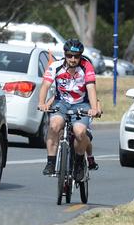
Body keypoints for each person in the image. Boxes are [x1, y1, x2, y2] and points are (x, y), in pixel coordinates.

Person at [38, 39, 100, 180]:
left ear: (81, 56)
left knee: (80, 132)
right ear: (65, 54)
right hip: (62, 102)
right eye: (70, 55)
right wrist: (42, 103)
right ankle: (51, 162)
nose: (73, 59)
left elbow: (91, 88)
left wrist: (94, 108)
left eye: (77, 56)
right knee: (54, 125)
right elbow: (45, 86)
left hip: (81, 104)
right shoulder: (56, 66)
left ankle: (78, 163)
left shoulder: (87, 66)